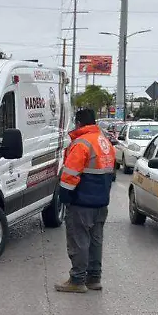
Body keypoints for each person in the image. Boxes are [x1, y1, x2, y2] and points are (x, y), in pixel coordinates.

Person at [56, 107, 116, 293]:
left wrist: (64, 196)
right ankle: (94, 278)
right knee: (95, 240)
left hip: (82, 202)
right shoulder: (103, 141)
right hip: (100, 201)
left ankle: (77, 280)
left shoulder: (82, 143)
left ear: (79, 123)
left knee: (79, 240)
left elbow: (70, 175)